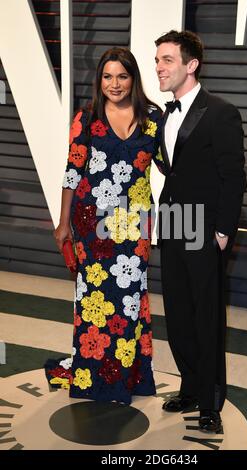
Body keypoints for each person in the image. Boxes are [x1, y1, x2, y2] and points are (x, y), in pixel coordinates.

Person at [45, 47, 164, 404]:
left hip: (135, 223)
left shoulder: (154, 118)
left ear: (133, 78)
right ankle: (94, 376)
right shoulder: (87, 117)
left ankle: (128, 378)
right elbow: (72, 170)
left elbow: (171, 167)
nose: (115, 84)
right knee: (95, 299)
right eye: (108, 76)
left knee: (130, 301)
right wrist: (63, 222)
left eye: (122, 76)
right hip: (91, 222)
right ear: (100, 80)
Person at [155, 30, 247, 432]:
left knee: (206, 314)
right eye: (157, 59)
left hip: (203, 226)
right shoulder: (164, 114)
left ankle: (210, 401)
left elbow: (234, 178)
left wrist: (223, 231)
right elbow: (172, 168)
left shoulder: (220, 112)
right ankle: (190, 385)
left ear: (191, 65)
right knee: (177, 310)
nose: (159, 67)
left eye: (167, 60)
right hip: (173, 221)